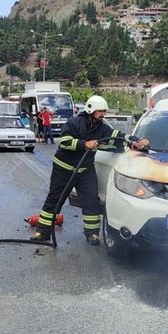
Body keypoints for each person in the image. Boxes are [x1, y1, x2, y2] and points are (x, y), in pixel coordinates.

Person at [29, 96, 149, 245]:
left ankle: (92, 234)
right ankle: (43, 232)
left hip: (85, 170)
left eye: (104, 111)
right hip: (63, 170)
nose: (103, 114)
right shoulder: (74, 123)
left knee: (91, 201)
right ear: (91, 109)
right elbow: (64, 142)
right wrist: (84, 144)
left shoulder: (101, 127)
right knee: (54, 200)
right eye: (101, 111)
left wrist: (135, 140)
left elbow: (117, 136)